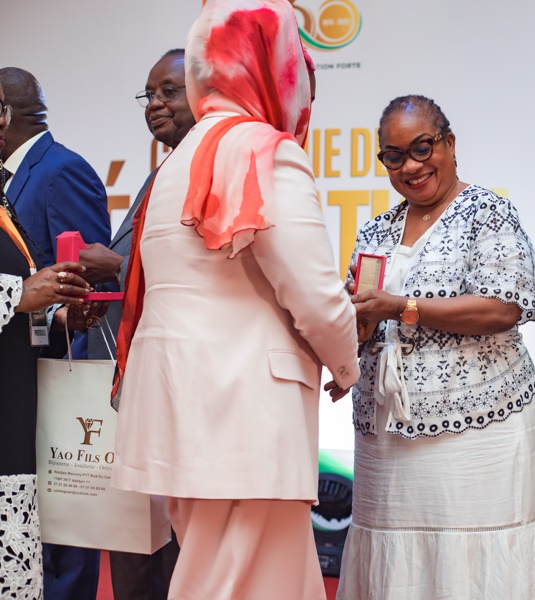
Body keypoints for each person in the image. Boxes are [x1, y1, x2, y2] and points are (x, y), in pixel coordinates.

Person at [109, 0, 359, 598]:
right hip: (243, 420)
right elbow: (314, 294)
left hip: (184, 414)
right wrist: (347, 362)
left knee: (244, 578)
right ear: (272, 66)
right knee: (232, 584)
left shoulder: (178, 161)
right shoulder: (263, 150)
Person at [332, 94, 535, 600]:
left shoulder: (487, 213)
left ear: (449, 143)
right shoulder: (376, 229)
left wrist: (400, 306)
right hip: (387, 437)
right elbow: (367, 322)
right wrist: (351, 341)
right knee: (395, 568)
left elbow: (503, 307)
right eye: (394, 156)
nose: (410, 166)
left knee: (474, 567)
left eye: (422, 148)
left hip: (480, 428)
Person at [80, 48, 195, 600]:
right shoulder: (162, 172)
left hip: (180, 393)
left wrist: (115, 267)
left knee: (174, 556)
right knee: (136, 548)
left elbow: (199, 276)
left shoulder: (205, 169)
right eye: (148, 95)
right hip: (140, 390)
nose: (154, 104)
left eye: (169, 91)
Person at [0, 66, 111, 600]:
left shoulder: (61, 169)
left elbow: (84, 276)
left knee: (58, 542)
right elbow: (27, 287)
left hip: (41, 388)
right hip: (18, 393)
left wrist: (62, 322)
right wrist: (23, 295)